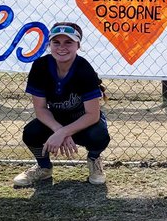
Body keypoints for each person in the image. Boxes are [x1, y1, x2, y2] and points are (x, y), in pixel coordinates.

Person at [13, 21, 109, 186]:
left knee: (99, 135)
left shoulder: (84, 69)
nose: (61, 47)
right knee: (30, 132)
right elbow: (41, 109)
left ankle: (94, 160)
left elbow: (92, 115)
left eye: (68, 42)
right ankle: (44, 168)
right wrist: (59, 131)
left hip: (83, 121)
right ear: (49, 44)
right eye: (56, 42)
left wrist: (64, 132)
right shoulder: (40, 66)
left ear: (78, 45)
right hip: (55, 120)